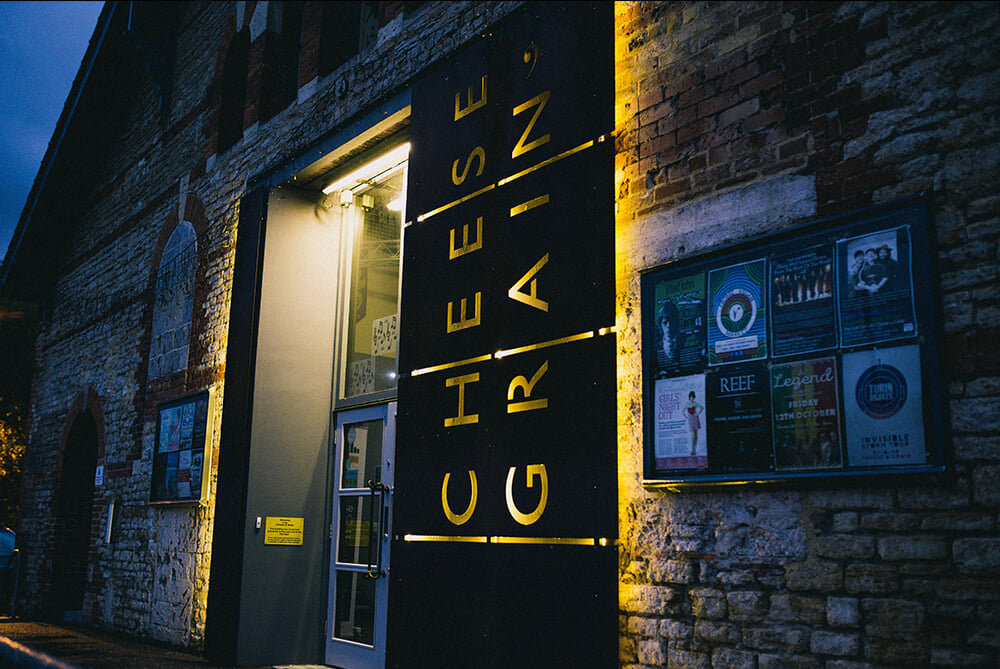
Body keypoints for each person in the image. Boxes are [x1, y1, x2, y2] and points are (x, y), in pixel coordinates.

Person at [657, 301, 680, 370]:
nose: (669, 326)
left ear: (676, 322)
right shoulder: (656, 346)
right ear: (660, 325)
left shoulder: (685, 340)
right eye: (665, 322)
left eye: (671, 321)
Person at [685, 390, 703, 455]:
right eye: (690, 397)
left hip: (695, 418)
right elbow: (682, 411)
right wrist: (686, 417)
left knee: (696, 434)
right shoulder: (687, 404)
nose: (692, 398)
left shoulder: (695, 403)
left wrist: (697, 413)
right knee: (693, 434)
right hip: (690, 419)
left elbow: (702, 407)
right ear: (689, 397)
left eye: (693, 397)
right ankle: (692, 449)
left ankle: (694, 449)